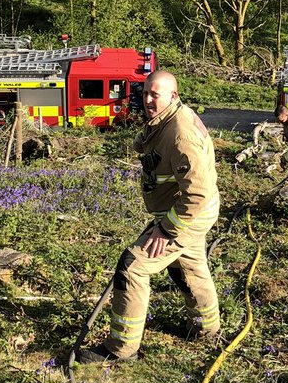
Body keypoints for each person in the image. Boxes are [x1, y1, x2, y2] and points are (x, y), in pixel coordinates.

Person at [79, 70, 221, 365]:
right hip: (183, 212)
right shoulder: (170, 120)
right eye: (144, 93)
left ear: (173, 95)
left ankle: (121, 349)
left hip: (187, 214)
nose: (147, 100)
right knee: (190, 267)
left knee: (133, 266)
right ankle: (207, 330)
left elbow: (197, 193)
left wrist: (167, 230)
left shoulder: (181, 134)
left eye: (154, 94)